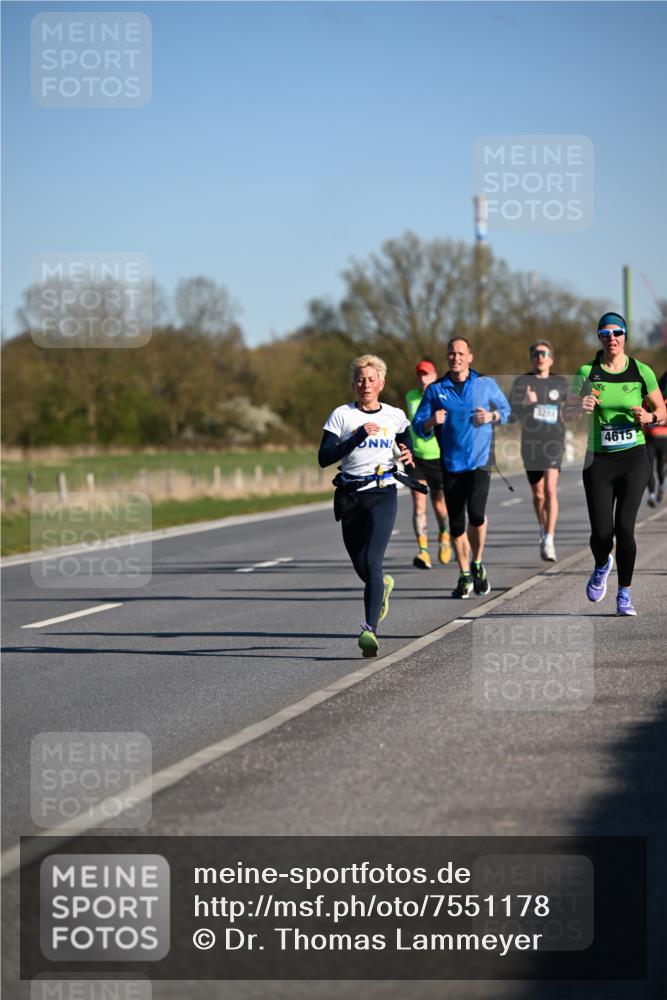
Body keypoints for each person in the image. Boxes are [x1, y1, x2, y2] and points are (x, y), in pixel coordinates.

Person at [318, 354, 422, 657]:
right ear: (353, 383)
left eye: (371, 379)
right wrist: (358, 436)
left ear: (381, 383)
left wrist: (407, 451)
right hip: (351, 496)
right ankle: (383, 586)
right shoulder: (342, 416)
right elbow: (324, 458)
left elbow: (405, 436)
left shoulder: (394, 414)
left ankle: (370, 630)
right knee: (362, 566)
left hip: (382, 492)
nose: (366, 384)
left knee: (373, 560)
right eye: (360, 379)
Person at [563, 313, 666, 616]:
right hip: (599, 461)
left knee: (625, 528)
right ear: (599, 337)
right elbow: (565, 414)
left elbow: (661, 408)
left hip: (634, 457)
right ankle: (601, 563)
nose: (612, 338)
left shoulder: (641, 371)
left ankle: (625, 595)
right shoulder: (587, 371)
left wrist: (650, 417)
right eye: (606, 333)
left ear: (625, 335)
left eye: (617, 332)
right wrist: (577, 406)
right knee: (602, 534)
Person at [413, 337, 511, 598]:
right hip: (450, 464)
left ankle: (477, 563)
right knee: (456, 526)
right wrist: (431, 421)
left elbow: (507, 410)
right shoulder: (436, 390)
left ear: (470, 357)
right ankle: (465, 573)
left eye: (460, 353)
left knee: (477, 515)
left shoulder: (485, 384)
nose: (455, 357)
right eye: (451, 354)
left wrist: (491, 416)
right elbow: (418, 426)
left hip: (480, 462)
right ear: (447, 357)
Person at [509, 340, 570, 562]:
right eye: (535, 354)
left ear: (551, 359)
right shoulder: (521, 383)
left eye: (544, 353)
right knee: (538, 494)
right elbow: (512, 414)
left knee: (551, 490)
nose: (540, 357)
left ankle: (549, 539)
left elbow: (569, 409)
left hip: (554, 442)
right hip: (531, 444)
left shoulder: (560, 383)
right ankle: (543, 529)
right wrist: (525, 404)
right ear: (531, 358)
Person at [405, 360, 451, 569]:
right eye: (420, 375)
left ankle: (443, 535)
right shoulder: (410, 397)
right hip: (416, 458)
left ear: (434, 376)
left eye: (427, 375)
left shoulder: (442, 396)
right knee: (419, 504)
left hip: (438, 457)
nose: (423, 379)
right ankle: (423, 551)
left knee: (439, 503)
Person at [645, 370, 667, 507]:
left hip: (664, 439)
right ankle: (652, 494)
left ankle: (661, 487)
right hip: (649, 438)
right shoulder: (646, 398)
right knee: (647, 467)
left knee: (659, 467)